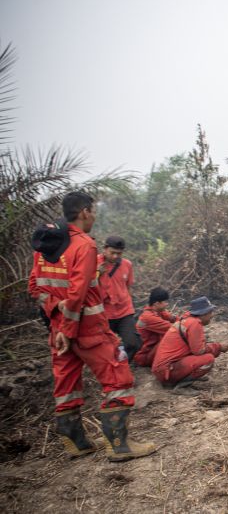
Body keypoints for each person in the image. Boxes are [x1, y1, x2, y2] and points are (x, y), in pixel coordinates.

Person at [28, 191, 155, 461]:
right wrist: (69, 327)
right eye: (93, 211)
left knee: (67, 387)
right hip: (87, 330)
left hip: (58, 331)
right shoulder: (84, 246)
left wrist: (57, 315)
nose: (94, 216)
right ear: (85, 211)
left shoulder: (47, 247)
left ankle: (77, 443)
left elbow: (35, 288)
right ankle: (119, 445)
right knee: (119, 377)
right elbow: (78, 292)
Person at [152, 296, 228, 390]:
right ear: (203, 314)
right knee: (208, 359)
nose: (211, 315)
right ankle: (181, 387)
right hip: (166, 371)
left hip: (162, 369)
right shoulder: (194, 324)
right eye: (210, 312)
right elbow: (199, 351)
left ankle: (184, 377)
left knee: (206, 354)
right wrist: (219, 347)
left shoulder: (187, 320)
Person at [97, 236, 140, 360]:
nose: (116, 256)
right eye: (112, 253)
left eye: (119, 253)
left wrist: (131, 307)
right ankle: (113, 366)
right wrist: (97, 273)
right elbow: (84, 285)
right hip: (104, 312)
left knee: (134, 343)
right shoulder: (93, 263)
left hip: (124, 311)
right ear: (105, 249)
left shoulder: (127, 265)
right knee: (105, 346)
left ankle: (122, 361)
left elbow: (128, 287)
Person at [132, 287, 176, 367]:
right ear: (156, 303)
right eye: (165, 301)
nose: (167, 304)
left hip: (152, 350)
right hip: (144, 356)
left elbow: (173, 318)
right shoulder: (148, 317)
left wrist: (186, 318)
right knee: (173, 337)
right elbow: (173, 328)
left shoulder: (158, 311)